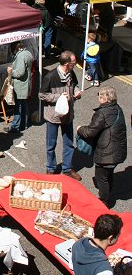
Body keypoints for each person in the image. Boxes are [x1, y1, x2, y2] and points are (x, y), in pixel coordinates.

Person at [76, 86, 127, 207]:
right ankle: (109, 194)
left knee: (101, 178)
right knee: (109, 173)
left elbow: (90, 132)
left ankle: (104, 201)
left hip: (106, 152)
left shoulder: (102, 113)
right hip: (117, 151)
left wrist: (80, 129)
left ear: (103, 98)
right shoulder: (118, 109)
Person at [38, 50, 82, 180]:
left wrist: (77, 92)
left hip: (68, 115)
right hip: (53, 116)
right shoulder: (50, 77)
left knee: (69, 143)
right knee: (51, 144)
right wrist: (59, 97)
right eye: (74, 62)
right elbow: (41, 95)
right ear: (67, 64)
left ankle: (67, 168)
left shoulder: (71, 73)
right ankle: (51, 168)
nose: (75, 64)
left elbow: (75, 86)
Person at [6, 41, 34, 134]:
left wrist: (11, 72)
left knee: (19, 106)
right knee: (24, 105)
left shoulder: (21, 56)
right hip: (26, 84)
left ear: (15, 48)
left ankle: (15, 127)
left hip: (21, 85)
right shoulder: (28, 53)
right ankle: (24, 124)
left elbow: (19, 73)